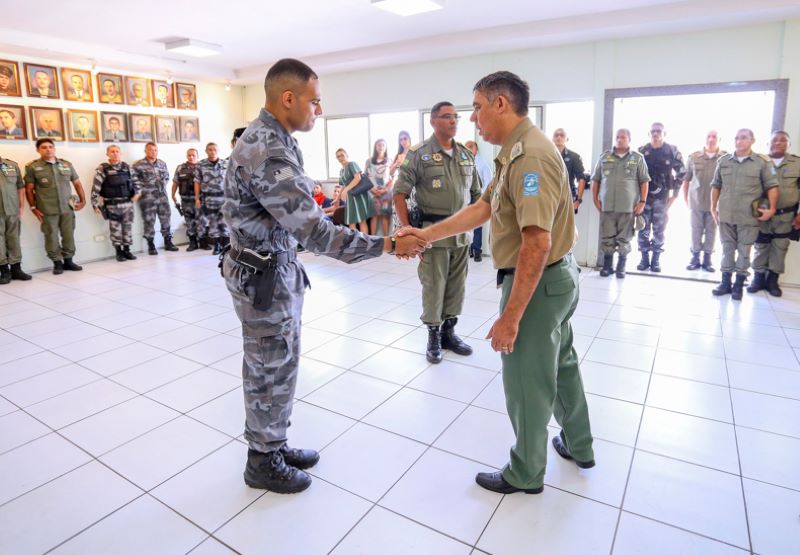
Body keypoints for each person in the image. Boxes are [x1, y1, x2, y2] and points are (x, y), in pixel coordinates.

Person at [221, 58, 425, 494]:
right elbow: (315, 233)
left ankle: (273, 443)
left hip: (273, 268)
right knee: (267, 366)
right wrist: (388, 244)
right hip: (263, 276)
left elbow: (296, 215)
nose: (319, 109)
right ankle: (261, 460)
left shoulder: (279, 140)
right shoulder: (268, 150)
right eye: (314, 101)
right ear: (288, 98)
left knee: (281, 362)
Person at [398, 70, 594, 495]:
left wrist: (510, 316)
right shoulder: (514, 151)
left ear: (501, 104)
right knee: (561, 366)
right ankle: (580, 444)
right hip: (556, 279)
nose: (472, 119)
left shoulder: (531, 158)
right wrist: (427, 234)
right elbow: (484, 207)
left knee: (527, 380)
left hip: (539, 282)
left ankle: (525, 472)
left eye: (478, 108)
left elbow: (537, 243)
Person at [393, 101, 482, 364]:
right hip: (430, 236)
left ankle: (449, 333)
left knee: (456, 286)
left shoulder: (466, 154)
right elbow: (399, 194)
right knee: (434, 287)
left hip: (461, 236)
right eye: (446, 117)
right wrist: (408, 232)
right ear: (433, 122)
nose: (453, 121)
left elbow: (478, 195)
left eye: (455, 117)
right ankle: (432, 335)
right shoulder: (418, 154)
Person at [711, 129, 778, 300]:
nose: (738, 141)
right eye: (736, 138)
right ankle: (725, 283)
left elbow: (772, 186)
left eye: (743, 138)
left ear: (752, 141)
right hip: (726, 214)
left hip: (748, 216)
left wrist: (771, 208)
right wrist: (713, 207)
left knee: (744, 251)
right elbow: (716, 185)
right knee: (727, 250)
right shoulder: (724, 161)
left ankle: (739, 285)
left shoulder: (762, 162)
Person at [592, 129, 650, 278]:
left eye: (623, 137)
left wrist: (642, 201)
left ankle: (621, 266)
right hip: (607, 205)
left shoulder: (637, 158)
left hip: (628, 206)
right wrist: (595, 198)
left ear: (629, 139)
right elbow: (596, 179)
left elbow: (644, 181)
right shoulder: (604, 157)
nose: (619, 139)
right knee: (607, 236)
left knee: (625, 237)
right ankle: (607, 265)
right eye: (617, 137)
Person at [748, 131, 800, 297]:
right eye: (774, 140)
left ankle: (772, 281)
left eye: (783, 140)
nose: (778, 143)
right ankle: (757, 278)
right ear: (767, 144)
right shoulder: (759, 162)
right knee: (760, 245)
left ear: (788, 145)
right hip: (761, 214)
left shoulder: (797, 163)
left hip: (786, 216)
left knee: (780, 247)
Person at [24, 139, 85, 274]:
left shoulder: (66, 164)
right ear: (38, 150)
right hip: (47, 209)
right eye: (44, 147)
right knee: (51, 236)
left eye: (51, 147)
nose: (48, 150)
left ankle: (68, 261)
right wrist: (33, 208)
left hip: (67, 208)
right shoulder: (32, 167)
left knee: (68, 235)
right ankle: (57, 262)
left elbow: (77, 183)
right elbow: (29, 190)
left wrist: (83, 200)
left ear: (54, 148)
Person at [636, 122, 685, 272]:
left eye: (658, 131)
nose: (655, 134)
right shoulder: (641, 151)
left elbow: (682, 172)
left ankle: (656, 259)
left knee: (659, 228)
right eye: (653, 131)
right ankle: (644, 258)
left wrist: (675, 195)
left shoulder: (671, 150)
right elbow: (633, 175)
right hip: (643, 198)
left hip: (662, 198)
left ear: (664, 133)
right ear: (649, 133)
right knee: (642, 227)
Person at [682, 130, 725, 272]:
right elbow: (686, 179)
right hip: (697, 201)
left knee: (712, 231)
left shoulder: (726, 157)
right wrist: (686, 199)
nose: (711, 139)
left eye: (714, 137)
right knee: (696, 230)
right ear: (705, 139)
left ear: (719, 139)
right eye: (709, 136)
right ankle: (695, 258)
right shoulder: (694, 157)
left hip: (716, 203)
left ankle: (707, 259)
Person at [92, 145, 140, 261]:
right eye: (112, 152)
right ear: (107, 154)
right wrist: (94, 204)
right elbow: (96, 187)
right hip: (112, 205)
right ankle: (119, 252)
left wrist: (137, 193)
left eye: (117, 151)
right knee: (116, 229)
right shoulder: (103, 169)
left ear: (121, 153)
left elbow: (136, 182)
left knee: (127, 228)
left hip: (127, 203)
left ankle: (127, 251)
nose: (115, 153)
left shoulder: (127, 167)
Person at [132, 142, 178, 255]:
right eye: (150, 150)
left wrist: (161, 185)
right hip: (147, 198)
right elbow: (134, 181)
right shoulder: (138, 165)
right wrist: (143, 189)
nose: (153, 152)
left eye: (155, 150)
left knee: (166, 219)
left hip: (162, 197)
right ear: (145, 151)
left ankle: (168, 242)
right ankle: (151, 245)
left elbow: (167, 177)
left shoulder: (162, 163)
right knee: (149, 221)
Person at [0, 156, 32, 283]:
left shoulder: (12, 165)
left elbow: (20, 187)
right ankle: (4, 271)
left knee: (14, 238)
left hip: (12, 209)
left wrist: (21, 206)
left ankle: (16, 269)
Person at [465, 139, 494, 262]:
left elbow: (488, 182)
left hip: (478, 197)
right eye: (467, 147)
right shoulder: (463, 163)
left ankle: (477, 251)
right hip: (465, 198)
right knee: (465, 225)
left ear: (476, 149)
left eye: (471, 146)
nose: (469, 149)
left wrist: (480, 195)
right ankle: (468, 249)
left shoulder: (482, 164)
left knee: (477, 226)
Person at [197, 142, 228, 254]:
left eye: (214, 149)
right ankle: (217, 246)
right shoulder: (201, 165)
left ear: (218, 150)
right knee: (213, 223)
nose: (212, 151)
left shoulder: (226, 163)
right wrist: (197, 198)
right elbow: (197, 182)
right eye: (210, 149)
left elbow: (231, 180)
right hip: (209, 198)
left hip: (224, 198)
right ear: (206, 151)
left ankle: (226, 246)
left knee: (225, 222)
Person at [171, 148, 204, 252]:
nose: (191, 157)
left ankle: (203, 242)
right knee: (189, 222)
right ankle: (193, 243)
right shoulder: (180, 168)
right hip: (186, 200)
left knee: (201, 221)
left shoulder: (203, 167)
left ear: (197, 156)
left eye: (193, 155)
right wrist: (173, 195)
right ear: (186, 156)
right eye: (189, 155)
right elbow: (175, 182)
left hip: (200, 199)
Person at [337, 148, 373, 233]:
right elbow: (343, 185)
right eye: (338, 156)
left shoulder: (352, 164)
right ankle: (355, 242)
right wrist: (337, 198)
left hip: (358, 195)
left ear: (347, 155)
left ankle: (365, 242)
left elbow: (358, 178)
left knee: (361, 221)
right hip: (350, 198)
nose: (340, 158)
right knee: (351, 221)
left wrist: (346, 189)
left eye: (342, 155)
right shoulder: (341, 171)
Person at [552, 128, 586, 213]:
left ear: (566, 139)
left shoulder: (574, 157)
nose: (559, 137)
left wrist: (579, 200)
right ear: (552, 139)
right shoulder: (546, 156)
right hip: (550, 197)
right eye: (556, 135)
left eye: (562, 135)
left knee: (567, 226)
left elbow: (581, 178)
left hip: (568, 198)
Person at [365, 139, 393, 235]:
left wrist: (385, 189)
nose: (380, 147)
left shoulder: (390, 160)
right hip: (372, 192)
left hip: (386, 192)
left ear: (385, 148)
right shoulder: (369, 161)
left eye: (383, 145)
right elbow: (365, 177)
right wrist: (373, 190)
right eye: (378, 145)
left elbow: (393, 177)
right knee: (374, 215)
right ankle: (372, 239)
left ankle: (386, 239)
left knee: (385, 215)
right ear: (375, 147)